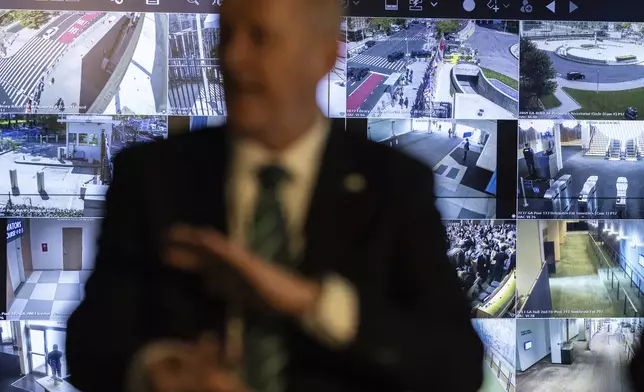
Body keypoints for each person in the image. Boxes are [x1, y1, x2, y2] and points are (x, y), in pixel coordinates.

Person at [65, 0, 484, 391]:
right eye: (226, 36)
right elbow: (89, 346)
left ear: (323, 57)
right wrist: (156, 370)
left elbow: (457, 364)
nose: (232, 58)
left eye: (260, 37)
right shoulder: (151, 175)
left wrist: (310, 301)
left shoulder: (394, 184)